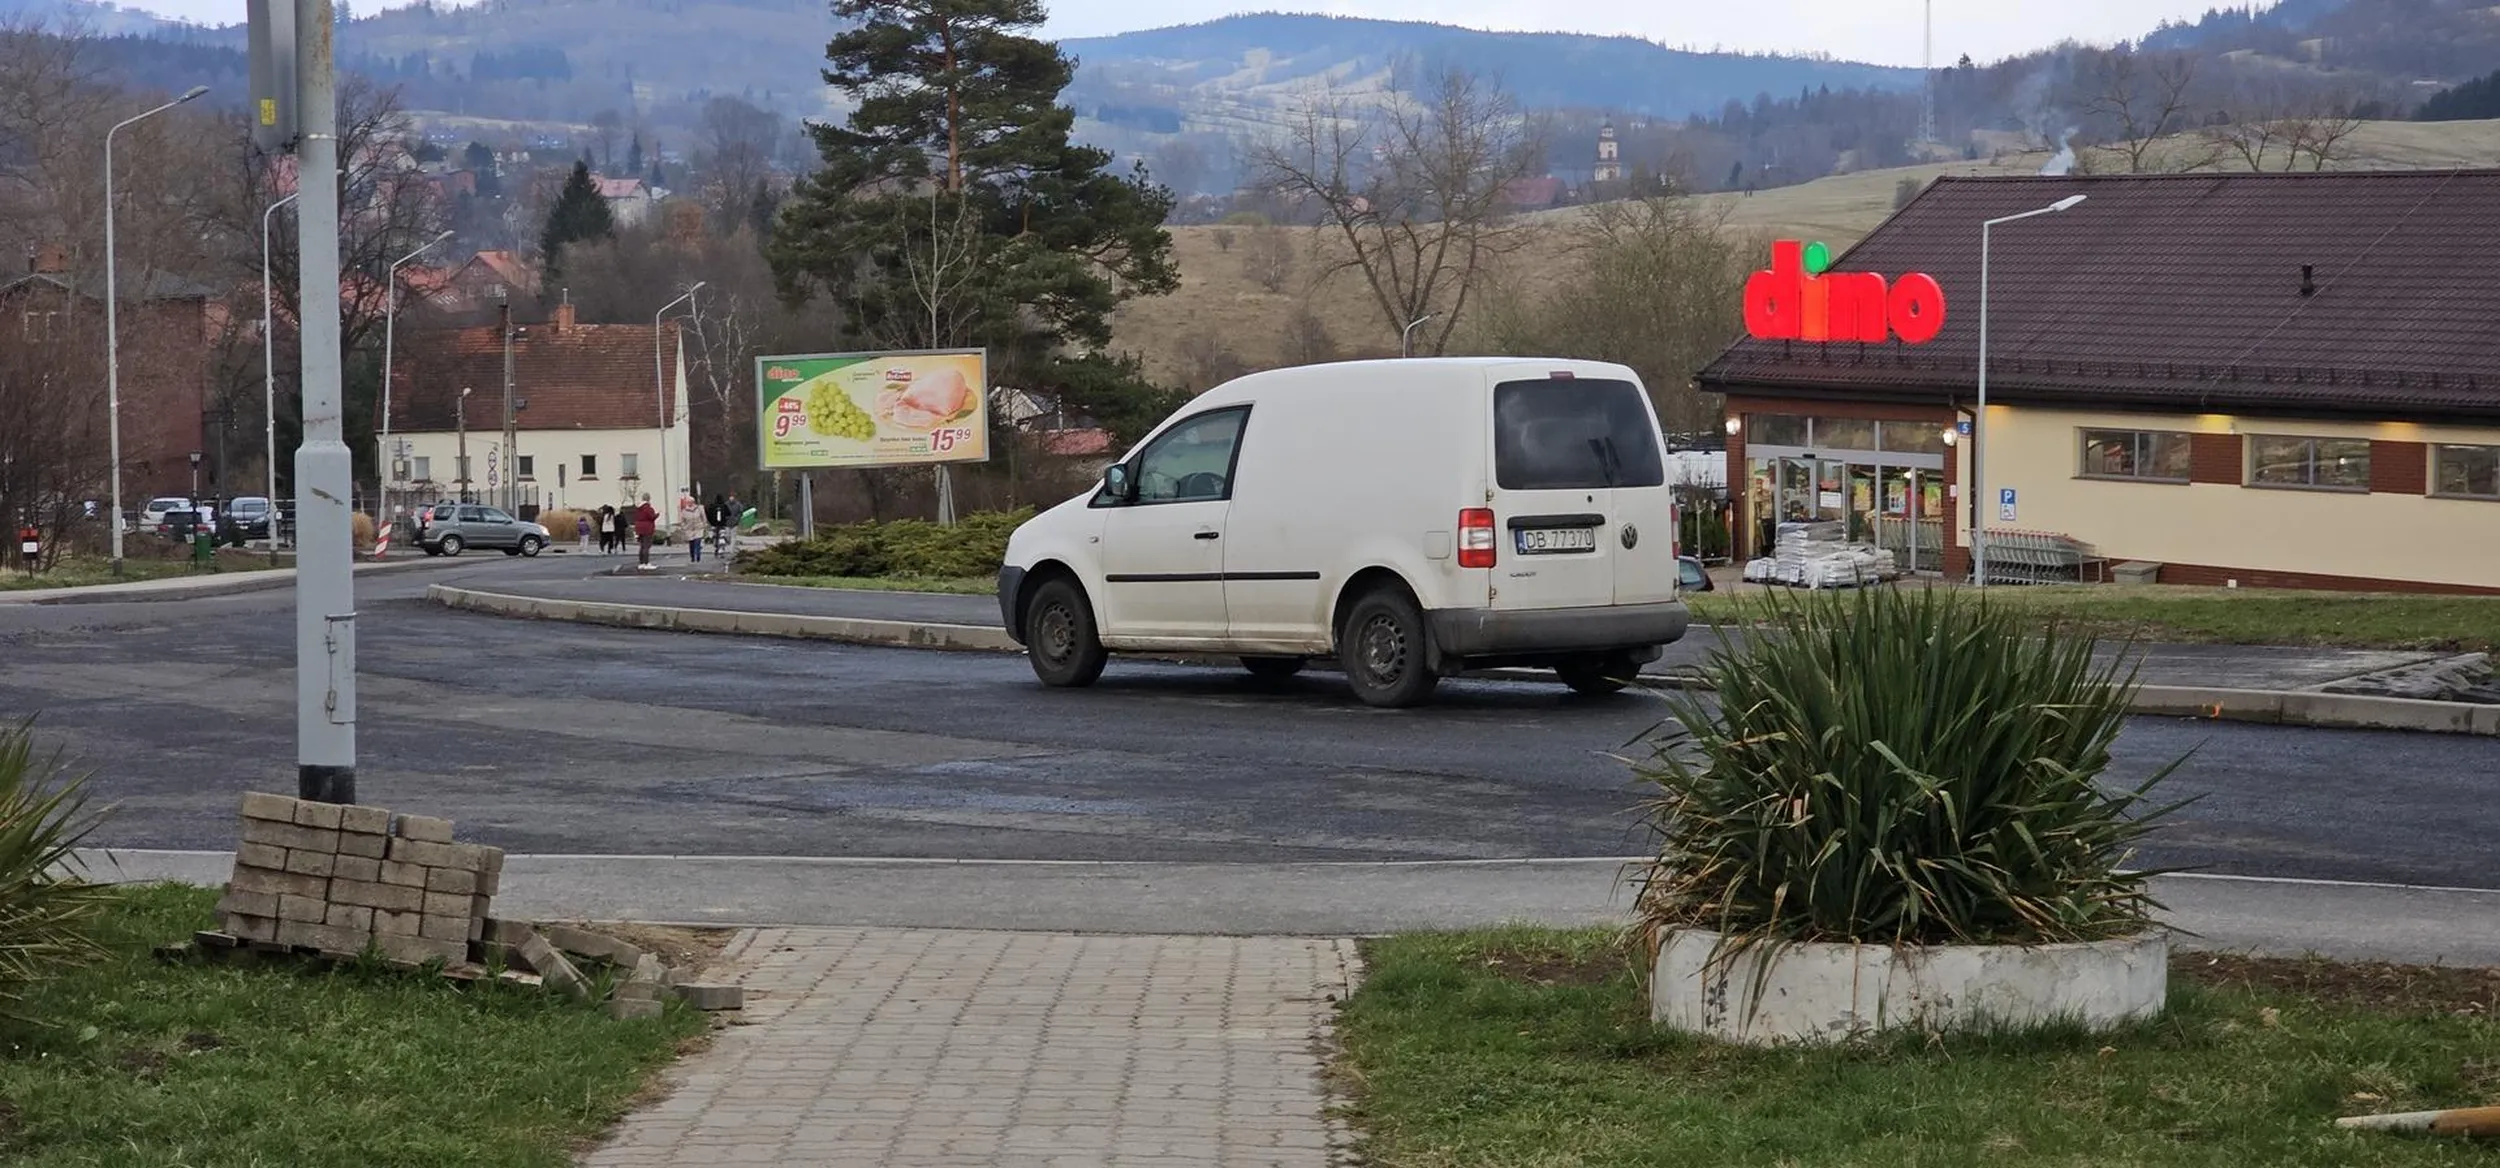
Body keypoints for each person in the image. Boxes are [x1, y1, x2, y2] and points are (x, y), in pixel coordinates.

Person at [632, 494, 659, 570]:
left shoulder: (638, 508)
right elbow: (651, 517)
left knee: (642, 546)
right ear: (649, 499)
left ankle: (641, 563)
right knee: (646, 546)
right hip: (647, 528)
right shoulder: (648, 508)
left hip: (639, 528)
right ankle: (646, 563)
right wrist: (657, 514)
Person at [678, 493, 703, 562]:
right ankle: (692, 556)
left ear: (693, 502)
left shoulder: (699, 509)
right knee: (692, 544)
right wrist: (684, 527)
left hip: (698, 528)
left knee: (698, 542)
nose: (690, 503)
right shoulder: (684, 511)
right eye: (688, 502)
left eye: (691, 502)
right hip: (689, 529)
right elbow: (682, 520)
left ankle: (698, 556)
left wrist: (703, 524)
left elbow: (703, 517)